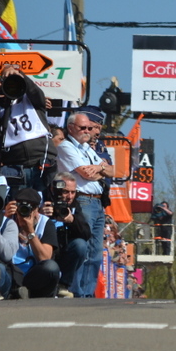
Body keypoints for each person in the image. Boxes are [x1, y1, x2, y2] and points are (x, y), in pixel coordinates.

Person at [56, 112, 113, 297]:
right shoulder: (66, 147)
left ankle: (88, 293)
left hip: (98, 202)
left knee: (96, 252)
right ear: (71, 127)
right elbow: (85, 174)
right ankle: (76, 291)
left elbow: (114, 170)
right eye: (83, 128)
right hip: (83, 199)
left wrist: (100, 168)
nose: (87, 131)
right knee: (83, 248)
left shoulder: (87, 149)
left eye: (90, 128)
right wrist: (101, 170)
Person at [0, 64, 57, 195]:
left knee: (45, 204)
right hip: (15, 165)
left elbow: (36, 93)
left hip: (42, 159)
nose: (10, 84)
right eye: (6, 80)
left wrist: (20, 75)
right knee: (19, 205)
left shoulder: (31, 100)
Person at [40, 172, 89, 298]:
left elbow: (86, 233)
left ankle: (63, 285)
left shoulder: (74, 205)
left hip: (63, 249)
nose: (69, 196)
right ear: (54, 189)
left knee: (80, 245)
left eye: (73, 192)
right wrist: (39, 214)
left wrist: (71, 220)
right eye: (66, 192)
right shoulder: (41, 198)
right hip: (43, 246)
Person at [10, 188, 60, 298]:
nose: (24, 211)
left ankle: (28, 292)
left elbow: (45, 257)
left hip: (34, 275)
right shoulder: (7, 219)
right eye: (21, 206)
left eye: (30, 207)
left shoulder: (46, 223)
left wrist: (30, 231)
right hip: (12, 271)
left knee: (51, 267)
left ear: (37, 209)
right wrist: (5, 219)